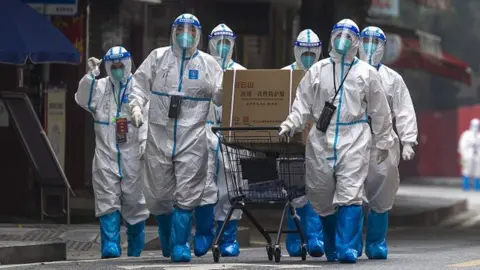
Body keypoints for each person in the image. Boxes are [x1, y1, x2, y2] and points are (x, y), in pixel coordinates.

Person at [279, 19, 394, 264]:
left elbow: (380, 111)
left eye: (348, 36)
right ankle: (331, 243)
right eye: (339, 34)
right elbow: (302, 102)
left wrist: (384, 141)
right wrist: (291, 123)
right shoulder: (317, 70)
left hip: (355, 138)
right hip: (321, 139)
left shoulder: (366, 73)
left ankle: (346, 247)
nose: (343, 39)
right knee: (321, 195)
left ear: (355, 41)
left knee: (350, 193)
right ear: (331, 37)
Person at [128, 13, 224, 263]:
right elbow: (138, 84)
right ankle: (167, 233)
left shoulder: (208, 64)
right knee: (158, 195)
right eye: (181, 29)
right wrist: (136, 107)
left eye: (192, 30)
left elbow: (221, 96)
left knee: (188, 191)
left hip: (192, 137)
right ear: (172, 31)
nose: (186, 34)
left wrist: (229, 89)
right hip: (159, 135)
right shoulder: (158, 58)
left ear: (198, 35)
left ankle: (180, 243)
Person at [75, 46, 150, 259]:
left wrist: (144, 140)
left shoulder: (138, 86)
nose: (117, 70)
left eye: (121, 66)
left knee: (135, 202)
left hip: (133, 154)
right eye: (113, 66)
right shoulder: (99, 87)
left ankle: (135, 248)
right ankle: (110, 245)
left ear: (127, 65)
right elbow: (83, 100)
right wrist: (90, 76)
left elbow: (147, 113)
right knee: (107, 199)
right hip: (106, 153)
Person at [359, 26, 418, 260]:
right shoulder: (347, 73)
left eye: (375, 42)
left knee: (381, 193)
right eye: (365, 41)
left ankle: (375, 242)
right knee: (348, 191)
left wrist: (408, 141)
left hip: (383, 141)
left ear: (383, 47)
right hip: (351, 138)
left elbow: (404, 110)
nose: (370, 46)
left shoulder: (393, 79)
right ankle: (348, 243)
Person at [193, 23, 247, 258]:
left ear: (233, 44)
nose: (223, 47)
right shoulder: (201, 67)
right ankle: (203, 233)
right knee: (201, 184)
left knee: (230, 188)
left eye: (228, 42)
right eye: (219, 41)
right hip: (203, 133)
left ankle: (228, 237)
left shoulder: (241, 73)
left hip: (231, 135)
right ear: (210, 42)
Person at [280, 29, 325, 258]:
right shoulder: (283, 76)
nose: (308, 57)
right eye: (304, 52)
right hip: (291, 141)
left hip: (318, 139)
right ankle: (295, 237)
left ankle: (315, 237)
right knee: (294, 191)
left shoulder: (325, 73)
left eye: (312, 52)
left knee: (318, 187)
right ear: (296, 50)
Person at [458, 118, 480, 191]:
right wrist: (464, 155)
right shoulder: (466, 134)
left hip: (477, 156)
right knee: (466, 171)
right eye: (474, 125)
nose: (475, 127)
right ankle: (466, 186)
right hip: (467, 155)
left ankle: (477, 187)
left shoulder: (479, 136)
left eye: (477, 125)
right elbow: (461, 145)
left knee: (478, 171)